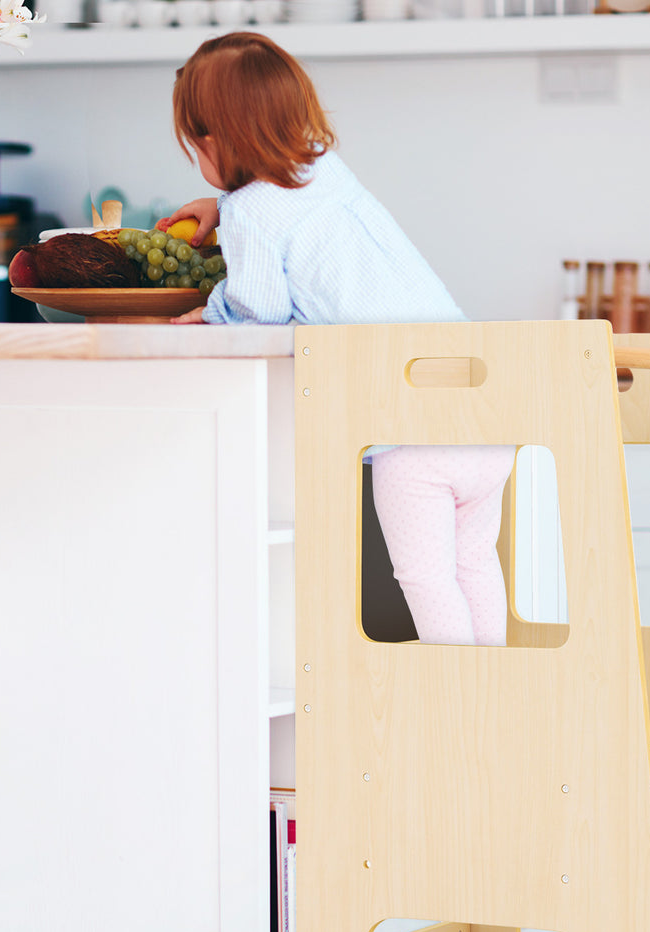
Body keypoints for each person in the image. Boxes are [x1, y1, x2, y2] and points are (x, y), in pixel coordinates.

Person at [159, 31, 513, 646]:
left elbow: (258, 310)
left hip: (415, 440)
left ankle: (462, 714)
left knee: (426, 579)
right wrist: (225, 204)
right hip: (481, 414)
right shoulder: (326, 171)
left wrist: (211, 312)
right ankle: (498, 696)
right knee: (474, 565)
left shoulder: (251, 213)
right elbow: (294, 217)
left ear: (212, 138)